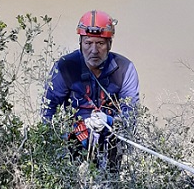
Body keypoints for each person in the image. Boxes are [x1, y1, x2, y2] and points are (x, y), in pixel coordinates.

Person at [42, 10, 139, 170]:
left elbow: (131, 117)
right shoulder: (66, 67)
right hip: (73, 143)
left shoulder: (124, 69)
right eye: (88, 43)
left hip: (110, 144)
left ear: (109, 44)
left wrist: (109, 122)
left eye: (100, 44)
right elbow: (48, 111)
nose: (94, 50)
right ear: (80, 43)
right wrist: (58, 142)